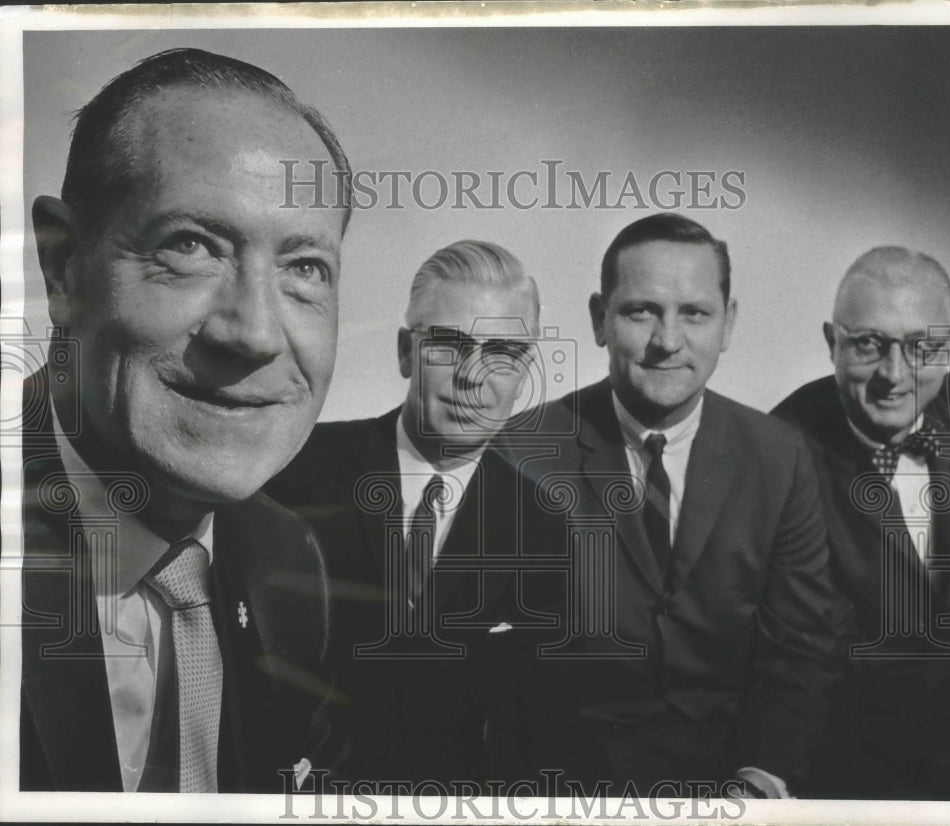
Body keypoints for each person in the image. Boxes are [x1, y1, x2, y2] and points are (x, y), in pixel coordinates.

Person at [20, 48, 351, 792]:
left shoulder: (289, 560)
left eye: (304, 268)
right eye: (191, 245)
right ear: (63, 268)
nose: (257, 334)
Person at [505, 213, 844, 798]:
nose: (667, 341)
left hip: (729, 783)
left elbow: (802, 650)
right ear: (599, 319)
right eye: (641, 311)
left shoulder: (780, 457)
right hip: (563, 788)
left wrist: (759, 779)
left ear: (727, 324)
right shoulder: (520, 451)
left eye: (694, 313)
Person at [267, 240, 555, 787]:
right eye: (448, 344)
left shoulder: (545, 531)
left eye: (502, 353)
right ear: (405, 352)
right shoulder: (295, 475)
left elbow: (542, 734)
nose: (474, 376)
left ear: (523, 373)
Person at [772, 246, 950, 800]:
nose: (894, 375)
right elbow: (803, 662)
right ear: (831, 343)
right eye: (868, 344)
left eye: (922, 347)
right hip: (861, 776)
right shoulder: (779, 453)